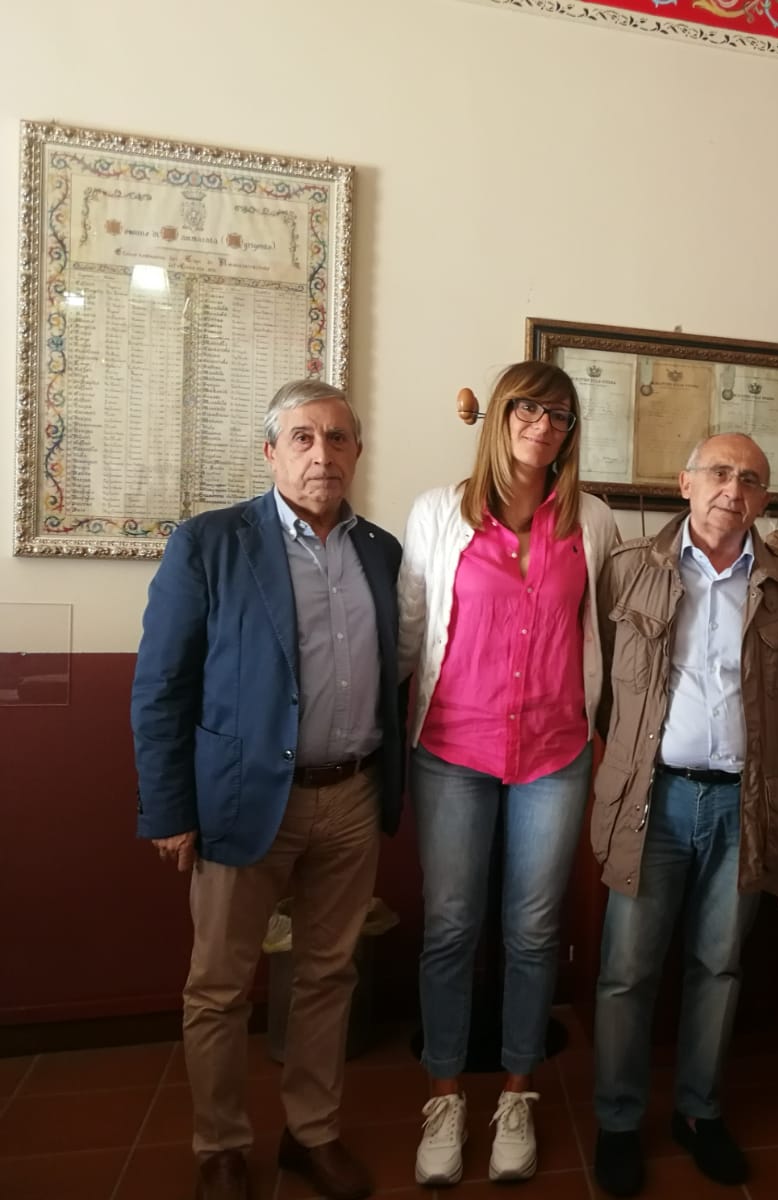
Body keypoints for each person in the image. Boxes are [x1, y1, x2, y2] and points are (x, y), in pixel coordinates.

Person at [131, 380, 404, 1200]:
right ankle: (219, 1146)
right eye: (303, 438)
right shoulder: (210, 542)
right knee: (219, 987)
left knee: (328, 975)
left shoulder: (381, 551)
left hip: (351, 796)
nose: (323, 454)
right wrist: (169, 809)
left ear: (358, 452)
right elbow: (161, 685)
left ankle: (311, 1134)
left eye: (338, 438)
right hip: (241, 798)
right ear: (271, 452)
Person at [399, 362, 619, 1186]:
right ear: (499, 416)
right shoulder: (438, 512)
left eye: (560, 415)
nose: (543, 425)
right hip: (453, 749)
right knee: (451, 927)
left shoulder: (592, 520)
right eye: (528, 408)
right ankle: (444, 1098)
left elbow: (610, 621)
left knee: (533, 932)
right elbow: (408, 632)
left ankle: (518, 1096)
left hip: (555, 754)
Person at [589, 433, 778, 1197]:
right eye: (719, 472)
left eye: (750, 479)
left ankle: (699, 1110)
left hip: (743, 803)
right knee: (626, 971)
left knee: (718, 966)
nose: (732, 489)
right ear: (684, 483)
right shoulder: (627, 568)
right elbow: (603, 689)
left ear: (764, 499)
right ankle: (619, 1120)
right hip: (651, 800)